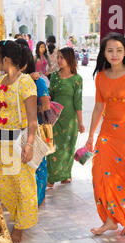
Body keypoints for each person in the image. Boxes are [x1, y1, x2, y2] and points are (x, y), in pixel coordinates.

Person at [86, 33, 125, 237]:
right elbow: (98, 107)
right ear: (103, 53)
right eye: (110, 50)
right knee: (100, 174)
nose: (114, 54)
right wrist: (90, 135)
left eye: (119, 50)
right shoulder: (101, 76)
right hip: (107, 133)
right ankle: (110, 220)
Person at [0, 40, 39, 243]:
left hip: (19, 141)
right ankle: (18, 214)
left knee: (23, 185)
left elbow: (33, 118)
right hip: (1, 140)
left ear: (6, 59)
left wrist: (29, 144)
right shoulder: (1, 82)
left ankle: (21, 225)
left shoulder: (25, 82)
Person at [17, 39, 51, 207]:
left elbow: (45, 105)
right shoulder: (11, 82)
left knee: (36, 164)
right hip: (16, 130)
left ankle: (36, 199)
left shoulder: (36, 81)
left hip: (31, 128)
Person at [46, 47, 84, 188]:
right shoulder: (55, 76)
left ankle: (66, 175)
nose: (59, 60)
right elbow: (50, 95)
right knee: (53, 147)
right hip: (55, 118)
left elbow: (78, 102)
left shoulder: (77, 79)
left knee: (68, 147)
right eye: (59, 57)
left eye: (62, 57)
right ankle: (52, 176)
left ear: (70, 59)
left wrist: (80, 122)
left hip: (70, 120)